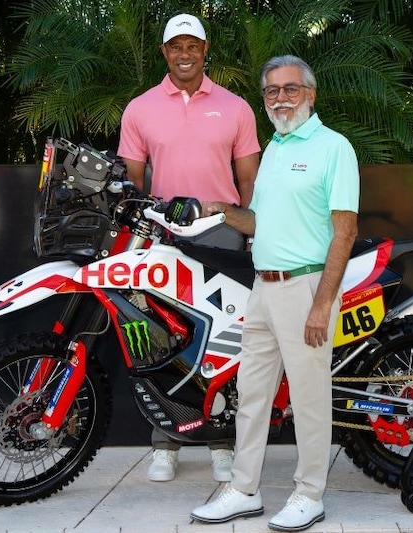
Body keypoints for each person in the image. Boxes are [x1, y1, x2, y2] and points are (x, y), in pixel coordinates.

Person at [189, 55, 359, 532]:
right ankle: (244, 490)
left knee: (308, 399)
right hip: (262, 288)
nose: (280, 98)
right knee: (253, 396)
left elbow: (344, 232)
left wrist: (323, 304)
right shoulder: (277, 148)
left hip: (306, 287)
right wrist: (222, 209)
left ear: (311, 93)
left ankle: (310, 495)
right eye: (271, 91)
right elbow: (257, 222)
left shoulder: (334, 148)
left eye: (290, 89)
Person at [117, 13, 261, 482]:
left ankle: (221, 440)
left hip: (222, 234)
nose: (184, 53)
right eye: (175, 45)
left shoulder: (236, 107)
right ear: (164, 52)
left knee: (222, 341)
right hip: (162, 236)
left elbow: (249, 181)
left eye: (192, 45)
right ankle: (166, 443)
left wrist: (254, 230)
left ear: (205, 51)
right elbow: (132, 184)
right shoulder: (140, 108)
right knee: (161, 339)